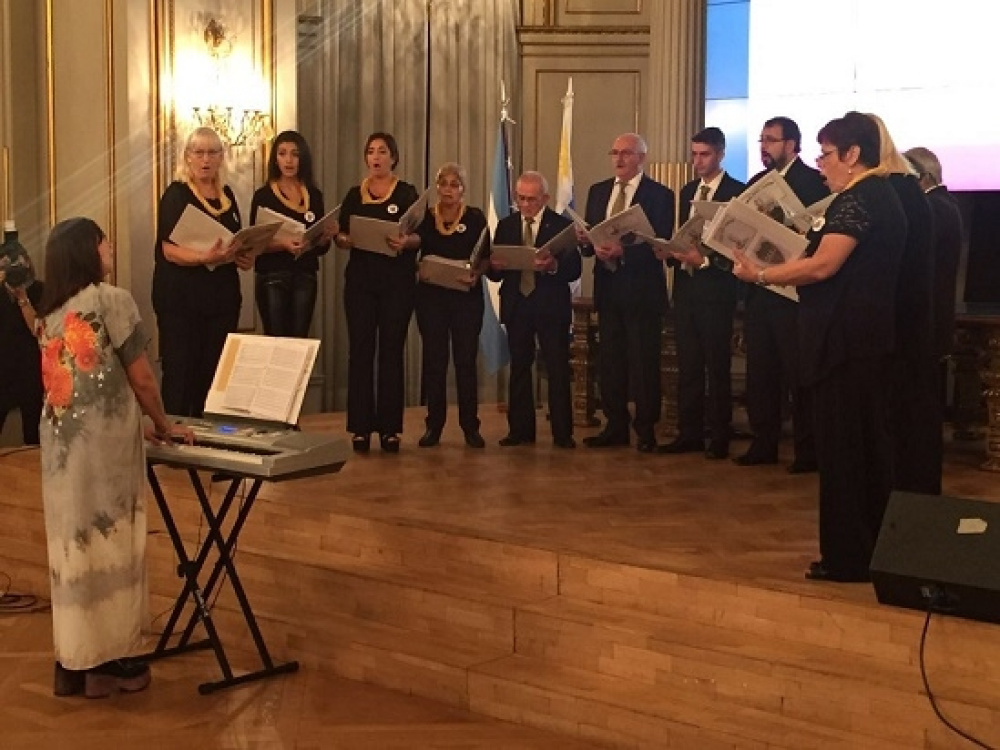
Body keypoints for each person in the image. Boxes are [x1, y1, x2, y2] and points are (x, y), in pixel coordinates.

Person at [733, 111, 906, 583]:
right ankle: (870, 549)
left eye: (826, 153)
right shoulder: (883, 194)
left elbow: (823, 265)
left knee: (844, 453)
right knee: (866, 450)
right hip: (865, 341)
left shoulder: (857, 199)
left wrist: (760, 273)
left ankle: (847, 557)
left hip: (843, 344)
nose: (820, 162)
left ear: (852, 155)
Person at [35, 218, 194, 698]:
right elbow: (141, 378)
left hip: (60, 448)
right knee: (112, 544)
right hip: (103, 452)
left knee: (72, 550)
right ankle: (115, 663)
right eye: (102, 241)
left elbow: (81, 388)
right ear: (88, 252)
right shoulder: (112, 301)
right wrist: (163, 424)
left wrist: (137, 421)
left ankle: (73, 664)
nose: (109, 247)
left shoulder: (49, 315)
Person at [735, 117, 829, 472]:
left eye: (771, 140)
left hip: (795, 293)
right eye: (761, 140)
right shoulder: (757, 183)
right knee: (761, 371)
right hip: (760, 289)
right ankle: (764, 442)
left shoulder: (813, 182)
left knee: (798, 372)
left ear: (791, 145)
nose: (764, 147)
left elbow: (820, 233)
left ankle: (808, 449)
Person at [580, 132, 675, 453]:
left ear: (641, 158)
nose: (619, 159)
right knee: (611, 362)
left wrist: (625, 251)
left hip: (642, 291)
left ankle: (646, 429)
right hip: (608, 288)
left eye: (626, 153)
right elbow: (592, 238)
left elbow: (661, 242)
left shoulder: (660, 195)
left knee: (643, 363)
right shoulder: (598, 191)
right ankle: (615, 426)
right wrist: (587, 243)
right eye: (614, 152)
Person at [659, 127, 746, 459]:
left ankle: (720, 435)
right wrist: (670, 251)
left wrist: (707, 260)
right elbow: (686, 234)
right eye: (694, 154)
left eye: (704, 154)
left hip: (716, 290)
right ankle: (690, 433)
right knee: (689, 364)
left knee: (717, 365)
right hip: (687, 289)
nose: (697, 161)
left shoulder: (736, 191)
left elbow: (739, 245)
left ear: (720, 154)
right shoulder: (688, 190)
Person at [152, 127, 250, 417]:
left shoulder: (227, 196)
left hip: (221, 299)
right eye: (199, 152)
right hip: (181, 300)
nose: (205, 159)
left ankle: (209, 431)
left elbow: (234, 240)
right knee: (181, 370)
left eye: (212, 153)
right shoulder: (176, 194)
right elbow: (169, 250)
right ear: (188, 157)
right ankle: (176, 432)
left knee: (215, 370)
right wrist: (203, 257)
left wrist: (242, 256)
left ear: (221, 157)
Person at [335, 132, 420, 453]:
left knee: (391, 352)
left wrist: (406, 242)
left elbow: (420, 236)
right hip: (361, 284)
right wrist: (343, 239)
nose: (376, 157)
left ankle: (389, 429)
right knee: (360, 352)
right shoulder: (354, 195)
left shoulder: (407, 192)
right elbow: (342, 235)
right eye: (371, 151)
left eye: (382, 151)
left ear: (393, 157)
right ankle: (360, 428)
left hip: (397, 284)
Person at [868, 115, 938, 495]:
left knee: (896, 427)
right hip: (909, 324)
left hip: (891, 330)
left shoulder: (887, 193)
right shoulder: (909, 191)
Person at [487, 171, 580, 449]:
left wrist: (553, 266)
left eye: (532, 199)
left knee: (557, 368)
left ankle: (562, 433)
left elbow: (574, 268)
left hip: (550, 306)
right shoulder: (506, 225)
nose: (526, 204)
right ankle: (520, 430)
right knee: (519, 367)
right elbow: (495, 274)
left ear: (545, 198)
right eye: (521, 198)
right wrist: (495, 267)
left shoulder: (561, 225)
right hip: (518, 304)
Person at [410, 162, 490, 449]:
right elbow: (411, 250)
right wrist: (419, 268)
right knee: (435, 361)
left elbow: (486, 257)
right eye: (443, 184)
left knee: (465, 361)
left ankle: (470, 426)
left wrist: (476, 273)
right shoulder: (425, 218)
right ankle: (434, 425)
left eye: (454, 184)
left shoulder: (475, 217)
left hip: (465, 299)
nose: (448, 190)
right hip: (431, 299)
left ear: (463, 189)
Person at [904, 145, 965, 459]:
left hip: (925, 319)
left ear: (922, 176)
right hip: (932, 317)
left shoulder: (933, 208)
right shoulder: (945, 204)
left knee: (920, 402)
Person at [250, 130, 335, 338]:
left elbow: (320, 248)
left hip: (305, 274)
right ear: (275, 159)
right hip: (272, 275)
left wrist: (325, 237)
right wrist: (283, 244)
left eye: (295, 154)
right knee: (276, 340)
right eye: (282, 154)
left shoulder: (314, 195)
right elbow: (254, 244)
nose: (289, 160)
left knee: (299, 339)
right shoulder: (263, 196)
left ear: (303, 158)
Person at [0, 260, 43, 445]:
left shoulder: (40, 290)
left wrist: (23, 298)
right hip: (2, 372)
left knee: (33, 436)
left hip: (31, 372)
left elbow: (38, 330)